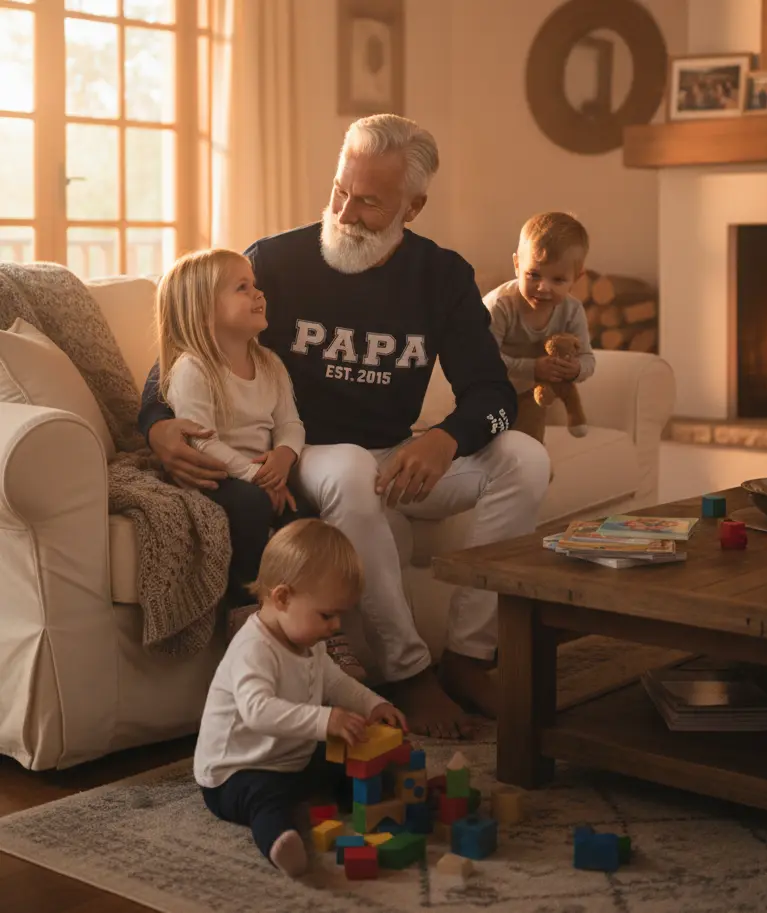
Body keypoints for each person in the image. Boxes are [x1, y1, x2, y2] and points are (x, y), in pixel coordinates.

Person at [139, 114, 552, 735]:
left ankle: (470, 658)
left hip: (403, 458)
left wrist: (446, 440)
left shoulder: (442, 276)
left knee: (525, 457)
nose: (345, 211)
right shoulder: (276, 261)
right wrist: (156, 424)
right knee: (355, 466)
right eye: (340, 190)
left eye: (369, 202)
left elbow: (493, 393)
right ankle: (411, 674)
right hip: (311, 452)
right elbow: (183, 349)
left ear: (413, 207)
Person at [194, 519, 407, 878]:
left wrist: (373, 704)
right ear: (282, 598)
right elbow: (258, 711)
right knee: (266, 799)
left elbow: (336, 682)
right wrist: (326, 720)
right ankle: (280, 841)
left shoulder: (309, 642)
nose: (336, 626)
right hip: (236, 773)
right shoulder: (253, 649)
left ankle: (361, 796)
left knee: (344, 750)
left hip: (289, 758)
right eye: (327, 615)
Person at [155, 247, 315, 610]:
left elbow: (290, 422)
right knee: (251, 505)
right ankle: (243, 609)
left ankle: (298, 610)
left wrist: (285, 456)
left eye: (255, 285)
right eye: (242, 287)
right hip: (215, 476)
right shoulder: (193, 369)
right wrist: (255, 475)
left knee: (303, 514)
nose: (259, 294)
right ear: (203, 308)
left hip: (260, 475)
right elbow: (200, 443)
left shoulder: (270, 363)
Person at [484, 211, 596, 437]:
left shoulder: (572, 311)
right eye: (533, 275)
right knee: (487, 437)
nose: (543, 287)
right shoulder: (499, 306)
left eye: (558, 280)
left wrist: (576, 370)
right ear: (517, 265)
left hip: (531, 392)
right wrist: (532, 367)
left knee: (530, 437)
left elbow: (588, 359)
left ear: (576, 278)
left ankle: (535, 466)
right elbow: (483, 360)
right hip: (486, 389)